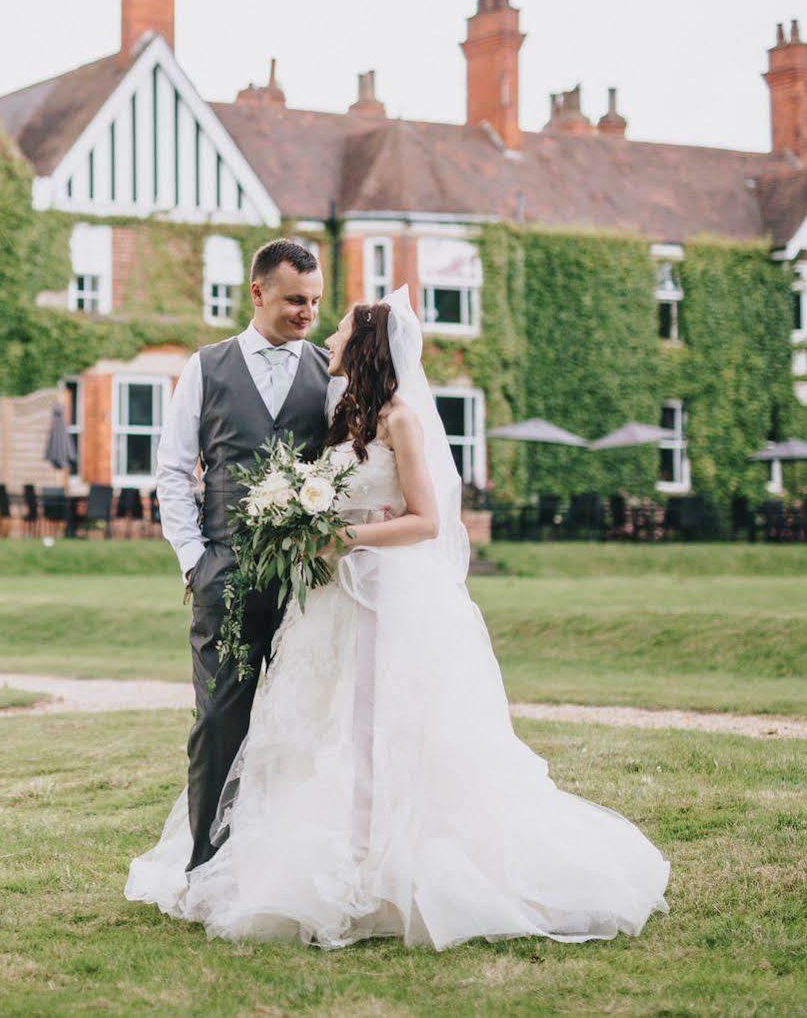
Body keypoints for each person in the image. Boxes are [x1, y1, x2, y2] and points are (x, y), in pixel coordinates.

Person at [127, 286, 672, 949]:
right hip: (324, 594)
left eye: (337, 327)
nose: (323, 336)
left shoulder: (400, 421)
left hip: (381, 593)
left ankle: (372, 862)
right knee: (310, 723)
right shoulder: (342, 414)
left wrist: (340, 538)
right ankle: (291, 851)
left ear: (360, 347)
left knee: (375, 725)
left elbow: (427, 519)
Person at [151, 237, 341, 872]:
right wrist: (193, 560)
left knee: (300, 725)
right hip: (225, 574)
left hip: (307, 582)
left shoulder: (328, 373)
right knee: (219, 723)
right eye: (294, 299)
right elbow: (174, 471)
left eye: (314, 301)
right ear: (257, 292)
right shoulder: (206, 367)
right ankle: (206, 865)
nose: (306, 312)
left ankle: (285, 866)